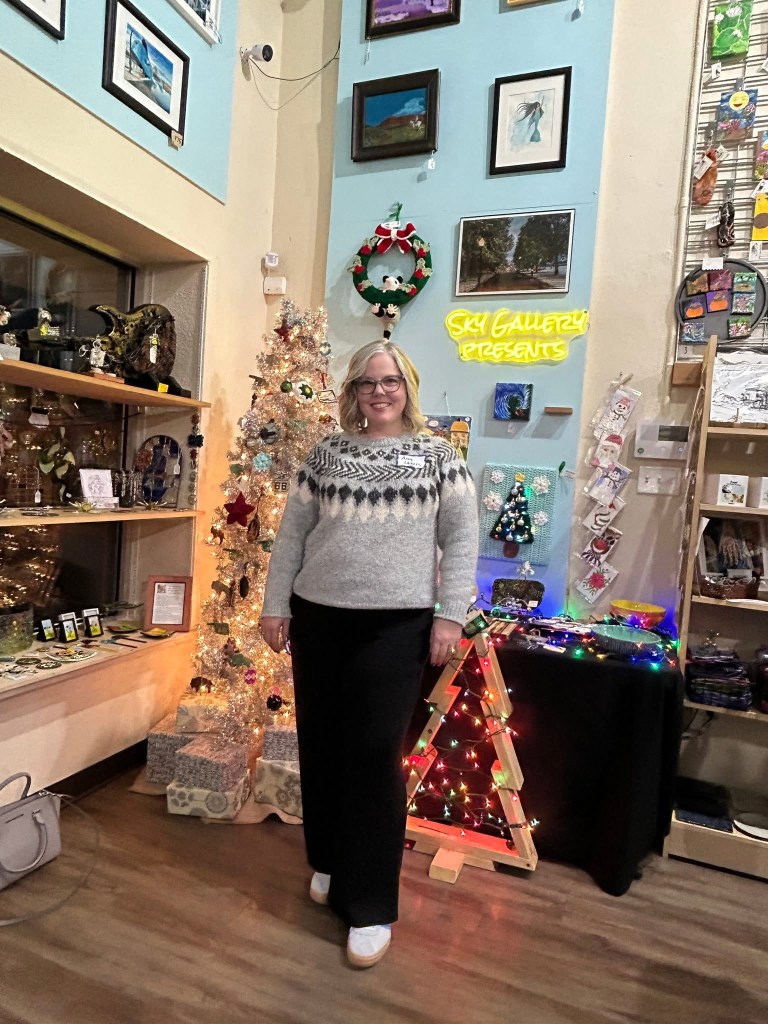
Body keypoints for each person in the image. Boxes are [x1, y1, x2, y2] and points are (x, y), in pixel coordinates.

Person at [260, 339, 479, 969]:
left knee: (375, 756)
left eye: (390, 381)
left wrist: (449, 616)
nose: (379, 392)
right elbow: (291, 536)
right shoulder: (325, 455)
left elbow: (463, 539)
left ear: (408, 388)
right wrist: (275, 605)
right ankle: (330, 860)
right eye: (367, 382)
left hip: (396, 627)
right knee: (322, 745)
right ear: (352, 391)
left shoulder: (439, 458)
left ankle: (372, 903)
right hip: (319, 619)